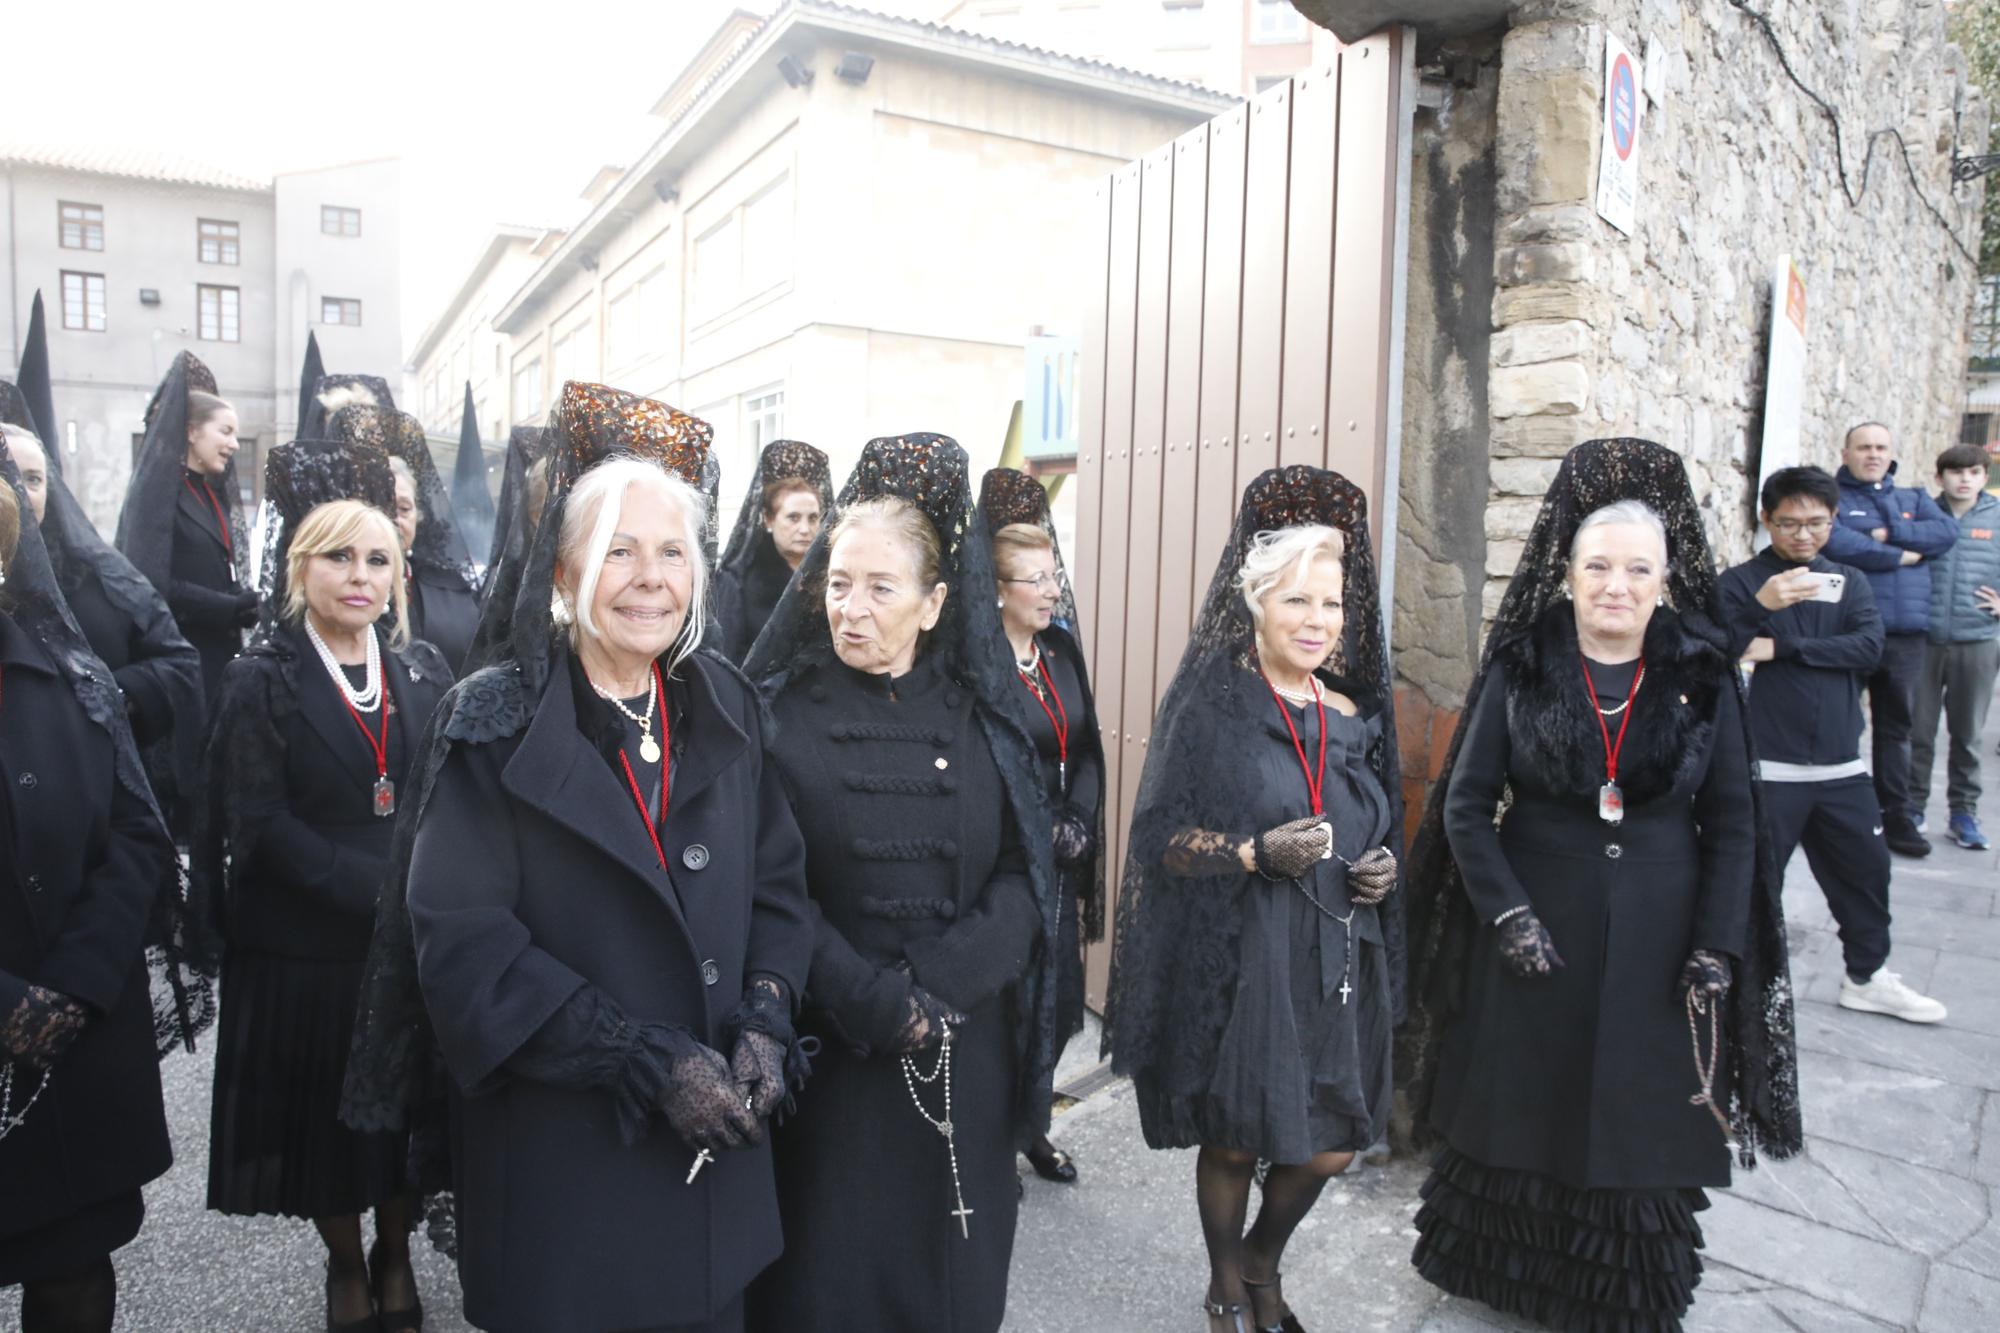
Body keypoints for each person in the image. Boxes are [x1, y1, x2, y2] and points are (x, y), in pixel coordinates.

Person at [356, 382, 812, 1333]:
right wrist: (641, 1057)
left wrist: (767, 1016)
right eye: (619, 551)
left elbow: (778, 884)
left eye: (672, 551)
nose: (651, 577)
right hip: (570, 1180)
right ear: (563, 578)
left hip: (713, 1185)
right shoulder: (493, 723)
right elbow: (467, 950)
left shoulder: (725, 701)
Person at [1402, 438, 1801, 1333]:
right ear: (1569, 572)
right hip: (1535, 918)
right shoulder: (1523, 663)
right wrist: (1506, 912)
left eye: (1636, 568)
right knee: (1523, 1098)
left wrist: (1716, 943)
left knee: (1638, 1112)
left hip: (1665, 930)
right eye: (1597, 566)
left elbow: (1735, 823)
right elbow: (1467, 807)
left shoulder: (1702, 671)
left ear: (1665, 577)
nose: (1615, 584)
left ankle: (1619, 1297)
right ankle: (1506, 1276)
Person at [744, 434, 1060, 1333]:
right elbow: (770, 890)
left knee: (953, 1283)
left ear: (934, 604)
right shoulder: (777, 720)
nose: (852, 608)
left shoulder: (984, 719)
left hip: (965, 1043)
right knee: (829, 1285)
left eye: (881, 589)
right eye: (839, 582)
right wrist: (869, 998)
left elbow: (1023, 868)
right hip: (839, 1058)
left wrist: (945, 981)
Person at [1104, 465, 1403, 1333]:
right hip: (1249, 952)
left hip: (1338, 953)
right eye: (1298, 602)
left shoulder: (1350, 708)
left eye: (1333, 605)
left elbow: (1372, 820)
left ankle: (1263, 1258)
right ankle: (1227, 1282)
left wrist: (1378, 866)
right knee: (1237, 1134)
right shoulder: (1214, 705)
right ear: (1258, 604)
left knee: (1331, 1145)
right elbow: (1160, 839)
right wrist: (1249, 850)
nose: (1318, 622)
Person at [191, 442, 446, 1333]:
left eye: (378, 559)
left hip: (403, 948)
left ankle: (396, 1248)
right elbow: (258, 829)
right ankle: (345, 1260)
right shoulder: (261, 680)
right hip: (306, 948)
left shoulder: (423, 674)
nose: (360, 574)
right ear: (303, 567)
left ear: (397, 575)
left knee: (404, 1122)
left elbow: (447, 804)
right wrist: (382, 890)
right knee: (325, 1134)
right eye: (339, 556)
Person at [0, 455, 192, 1333]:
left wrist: (74, 983)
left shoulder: (66, 672)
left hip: (71, 1031)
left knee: (73, 1273)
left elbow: (137, 830)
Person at [1720, 465, 1947, 1025]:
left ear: (1834, 520)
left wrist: (1783, 647)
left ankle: (1867, 977)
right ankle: (1739, 989)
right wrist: (1761, 609)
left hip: (1841, 766)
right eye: (1789, 523)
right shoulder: (1740, 583)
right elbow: (1716, 648)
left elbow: (1869, 648)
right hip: (1765, 767)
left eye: (1816, 523)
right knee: (1748, 889)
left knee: (1866, 877)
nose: (1803, 535)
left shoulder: (1851, 580)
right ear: (1766, 520)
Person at [976, 466, 1104, 1187]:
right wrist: (1033, 823)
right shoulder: (979, 667)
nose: (1054, 589)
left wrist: (1080, 816)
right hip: (1005, 857)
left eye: (1055, 574)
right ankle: (992, 1136)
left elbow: (1084, 748)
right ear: (996, 589)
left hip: (1059, 852)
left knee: (1055, 1003)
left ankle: (1033, 1126)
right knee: (1006, 1002)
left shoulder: (1056, 652)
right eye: (1037, 578)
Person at [0, 415, 203, 823]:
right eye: (8, 474)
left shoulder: (104, 577)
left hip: (97, 797)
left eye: (34, 478)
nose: (21, 489)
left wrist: (107, 696)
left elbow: (179, 664)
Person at [1822, 422, 1958, 856]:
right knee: (1840, 723)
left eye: (1881, 447)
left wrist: (1885, 534)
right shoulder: (1834, 500)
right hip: (1852, 631)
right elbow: (1837, 542)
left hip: (1905, 637)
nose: (1873, 454)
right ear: (1846, 453)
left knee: (1897, 729)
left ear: (1891, 452)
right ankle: (1832, 815)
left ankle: (1896, 815)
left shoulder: (1913, 498)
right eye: (1864, 447)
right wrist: (1901, 554)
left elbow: (1945, 534)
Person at [114, 352, 255, 708]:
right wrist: (230, 606)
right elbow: (149, 579)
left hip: (219, 651)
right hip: (180, 652)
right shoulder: (158, 495)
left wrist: (244, 600)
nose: (235, 445)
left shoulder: (210, 493)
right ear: (192, 432)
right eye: (225, 431)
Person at [328, 403, 485, 676]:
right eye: (380, 506)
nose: (392, 520)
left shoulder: (451, 590)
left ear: (418, 515)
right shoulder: (339, 591)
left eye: (403, 508)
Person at [1911, 443, 2000, 851]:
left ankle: (1963, 813)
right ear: (1940, 476)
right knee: (1919, 732)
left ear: (1985, 477)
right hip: (1924, 640)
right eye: (1956, 472)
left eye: (1974, 472)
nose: (1965, 479)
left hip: (1977, 640)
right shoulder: (1921, 516)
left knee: (1967, 734)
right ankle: (1911, 809)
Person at [712, 440, 830, 662]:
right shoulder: (737, 580)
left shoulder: (831, 573)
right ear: (769, 519)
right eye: (793, 517)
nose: (805, 529)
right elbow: (727, 655)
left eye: (813, 518)